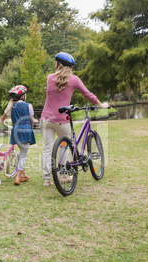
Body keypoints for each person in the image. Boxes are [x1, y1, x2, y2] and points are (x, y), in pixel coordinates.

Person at [40, 52, 109, 186]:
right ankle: (63, 175)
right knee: (64, 147)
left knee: (47, 149)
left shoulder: (49, 78)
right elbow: (88, 95)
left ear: (58, 64)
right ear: (70, 67)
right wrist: (101, 105)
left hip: (46, 120)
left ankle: (47, 179)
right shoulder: (74, 80)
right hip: (62, 120)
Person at [0, 85, 36, 186]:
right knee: (23, 155)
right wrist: (30, 127)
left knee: (21, 153)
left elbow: (3, 118)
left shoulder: (11, 106)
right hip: (26, 131)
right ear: (22, 96)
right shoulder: (28, 106)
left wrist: (2, 122)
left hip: (16, 132)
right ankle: (18, 177)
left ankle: (23, 175)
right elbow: (32, 120)